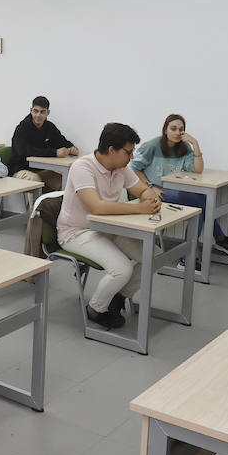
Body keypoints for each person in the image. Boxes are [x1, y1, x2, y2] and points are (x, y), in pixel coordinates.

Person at [58, 123, 163, 330]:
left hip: (109, 228)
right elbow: (97, 207)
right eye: (128, 152)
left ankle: (118, 296)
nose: (131, 157)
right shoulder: (82, 166)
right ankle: (95, 309)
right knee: (121, 268)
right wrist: (141, 209)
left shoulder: (121, 168)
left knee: (155, 255)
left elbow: (142, 190)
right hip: (77, 232)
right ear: (112, 150)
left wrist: (150, 198)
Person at [130, 114, 228, 267]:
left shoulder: (184, 148)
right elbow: (133, 169)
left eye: (181, 129)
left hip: (173, 190)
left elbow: (197, 170)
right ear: (165, 130)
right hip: (154, 193)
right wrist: (150, 187)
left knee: (198, 206)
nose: (177, 132)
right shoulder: (152, 145)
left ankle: (189, 257)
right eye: (173, 128)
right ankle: (217, 240)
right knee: (200, 203)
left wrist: (195, 144)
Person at [11, 95, 78, 191]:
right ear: (31, 110)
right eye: (36, 111)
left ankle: (57, 206)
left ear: (48, 112)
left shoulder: (49, 127)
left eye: (42, 112)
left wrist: (72, 147)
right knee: (35, 180)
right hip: (20, 169)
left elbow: (61, 141)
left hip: (41, 170)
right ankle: (34, 206)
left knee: (64, 181)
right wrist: (54, 153)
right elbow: (24, 151)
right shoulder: (22, 128)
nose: (38, 115)